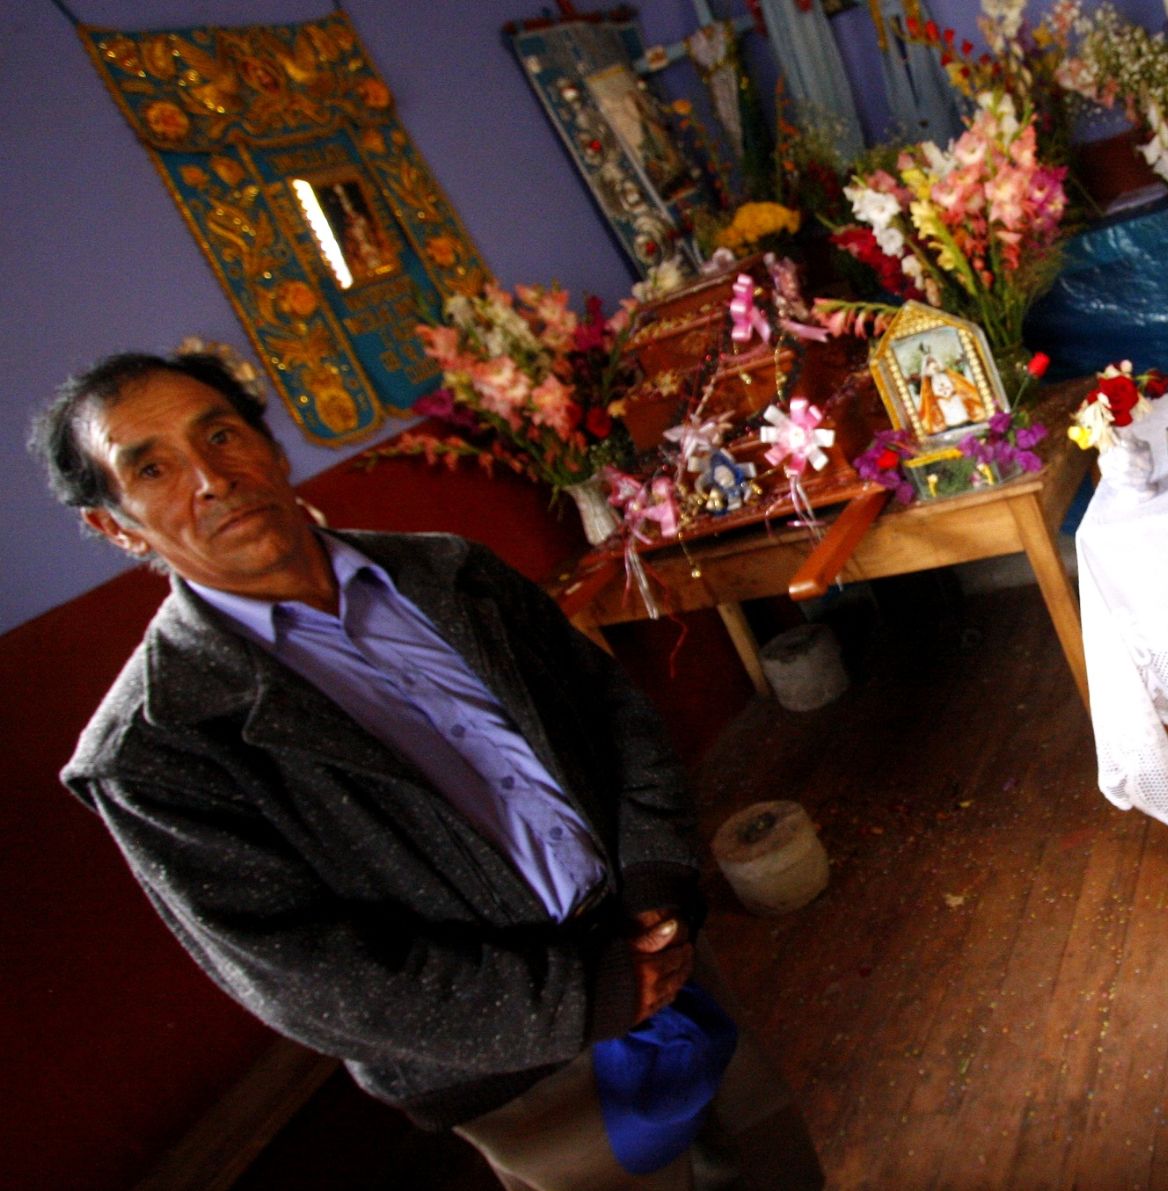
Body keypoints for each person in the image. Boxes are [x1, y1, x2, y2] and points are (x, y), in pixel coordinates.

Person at [31, 352, 822, 1190]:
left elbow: (614, 712)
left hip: (659, 942)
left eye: (221, 434)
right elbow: (310, 978)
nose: (211, 479)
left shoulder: (451, 572)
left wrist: (656, 878)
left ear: (269, 446)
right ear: (117, 526)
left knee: (767, 1146)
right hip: (525, 1062)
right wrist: (580, 996)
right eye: (151, 468)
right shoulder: (157, 746)